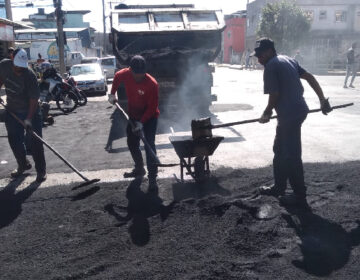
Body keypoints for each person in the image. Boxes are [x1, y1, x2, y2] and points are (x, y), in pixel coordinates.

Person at [253, 38, 332, 208]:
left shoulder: (271, 66)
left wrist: (266, 113)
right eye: (257, 56)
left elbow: (274, 94)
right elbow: (309, 77)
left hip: (289, 115)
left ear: (268, 51)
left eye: (260, 55)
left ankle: (299, 196)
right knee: (280, 149)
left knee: (291, 155)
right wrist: (322, 100)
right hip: (297, 111)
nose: (258, 59)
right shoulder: (288, 59)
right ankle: (279, 187)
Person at [108, 55, 160, 190]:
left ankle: (153, 177)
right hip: (133, 115)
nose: (138, 77)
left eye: (141, 74)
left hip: (149, 118)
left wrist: (142, 123)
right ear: (131, 70)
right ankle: (139, 168)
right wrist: (112, 93)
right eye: (136, 74)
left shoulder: (152, 84)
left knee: (149, 145)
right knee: (132, 142)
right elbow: (117, 77)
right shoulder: (125, 74)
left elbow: (152, 107)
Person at [0, 48, 47, 182]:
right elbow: (0, 78)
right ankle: (23, 164)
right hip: (12, 110)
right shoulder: (4, 65)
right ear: (11, 57)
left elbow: (33, 100)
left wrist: (28, 119)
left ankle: (41, 170)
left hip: (31, 111)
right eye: (16, 67)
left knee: (36, 142)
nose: (18, 70)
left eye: (21, 68)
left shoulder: (30, 75)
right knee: (14, 140)